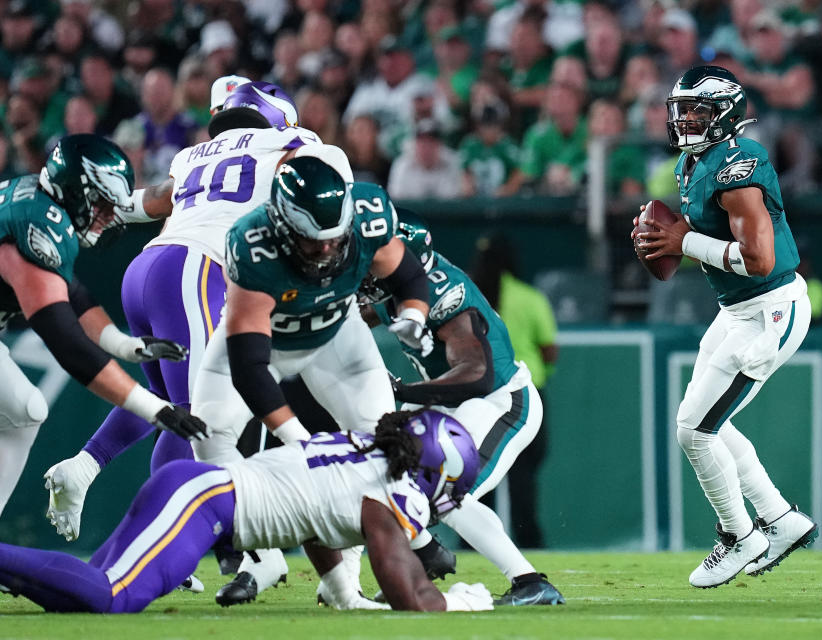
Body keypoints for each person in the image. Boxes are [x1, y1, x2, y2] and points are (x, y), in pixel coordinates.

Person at [43, 81, 349, 544]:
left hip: (145, 269)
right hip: (196, 270)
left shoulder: (196, 154)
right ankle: (182, 544)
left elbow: (148, 203)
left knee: (169, 406)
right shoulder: (295, 143)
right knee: (201, 419)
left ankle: (87, 471)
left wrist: (74, 202)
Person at [191, 155, 433, 606]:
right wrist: (298, 441)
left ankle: (347, 580)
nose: (327, 250)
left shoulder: (367, 217)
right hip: (266, 342)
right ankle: (263, 557)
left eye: (334, 238)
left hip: (336, 338)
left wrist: (414, 314)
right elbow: (250, 367)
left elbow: (408, 274)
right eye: (312, 241)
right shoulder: (252, 243)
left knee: (379, 448)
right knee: (209, 439)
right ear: (283, 228)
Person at [0, 409, 494, 613]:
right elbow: (401, 581)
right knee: (112, 598)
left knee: (77, 594)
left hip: (197, 492)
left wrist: (344, 592)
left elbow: (317, 519)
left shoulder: (361, 451)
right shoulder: (394, 490)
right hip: (203, 504)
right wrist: (458, 604)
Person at [633, 66, 817, 588]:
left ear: (727, 114)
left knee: (695, 429)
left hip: (770, 311)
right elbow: (705, 236)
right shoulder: (694, 164)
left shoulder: (739, 163)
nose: (686, 118)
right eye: (681, 108)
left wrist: (681, 243)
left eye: (699, 110)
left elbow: (758, 260)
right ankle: (780, 520)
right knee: (706, 423)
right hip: (736, 310)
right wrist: (663, 235)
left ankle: (740, 536)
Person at [358, 211, 564, 606]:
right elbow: (364, 314)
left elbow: (477, 375)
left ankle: (530, 582)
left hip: (502, 402)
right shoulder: (396, 289)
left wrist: (405, 391)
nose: (377, 264)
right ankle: (423, 562)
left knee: (444, 489)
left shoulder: (444, 296)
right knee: (404, 483)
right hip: (459, 410)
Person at [0, 134, 206, 517]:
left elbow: (71, 293)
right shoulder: (35, 225)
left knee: (26, 410)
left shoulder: (42, 203)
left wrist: (125, 345)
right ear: (78, 191)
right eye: (104, 204)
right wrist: (153, 408)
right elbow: (67, 343)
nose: (111, 215)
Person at [471, 233, 557, 551]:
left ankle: (475, 544)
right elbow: (549, 349)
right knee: (523, 479)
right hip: (526, 395)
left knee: (478, 475)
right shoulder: (529, 297)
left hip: (479, 395)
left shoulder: (471, 297)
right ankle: (529, 543)